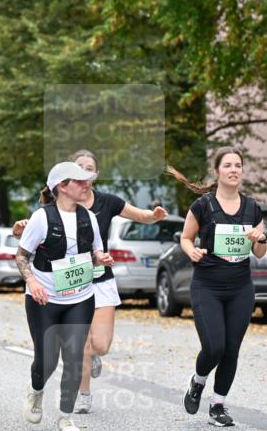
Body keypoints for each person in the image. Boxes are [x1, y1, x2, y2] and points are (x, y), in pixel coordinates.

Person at [15, 150, 169, 413]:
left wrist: (154, 215)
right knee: (81, 342)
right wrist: (20, 233)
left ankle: (92, 356)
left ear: (94, 176)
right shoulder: (52, 210)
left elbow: (140, 216)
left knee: (100, 345)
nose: (84, 173)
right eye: (79, 168)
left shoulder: (106, 202)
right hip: (68, 286)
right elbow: (29, 240)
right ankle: (83, 395)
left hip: (100, 279)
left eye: (89, 169)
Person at [167, 147, 267, 427]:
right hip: (207, 286)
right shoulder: (203, 205)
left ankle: (218, 405)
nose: (234, 169)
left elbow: (259, 252)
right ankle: (198, 381)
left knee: (231, 349)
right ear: (217, 171)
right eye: (228, 165)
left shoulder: (252, 208)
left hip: (240, 288)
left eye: (238, 165)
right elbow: (186, 238)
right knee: (214, 347)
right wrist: (191, 251)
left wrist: (259, 238)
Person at [15, 161, 114, 431]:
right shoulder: (42, 218)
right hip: (44, 298)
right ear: (62, 186)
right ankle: (35, 391)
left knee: (73, 358)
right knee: (46, 360)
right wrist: (32, 282)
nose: (86, 185)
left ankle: (65, 418)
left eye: (87, 181)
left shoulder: (89, 218)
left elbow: (95, 252)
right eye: (80, 181)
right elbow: (22, 256)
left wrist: (101, 258)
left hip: (80, 297)